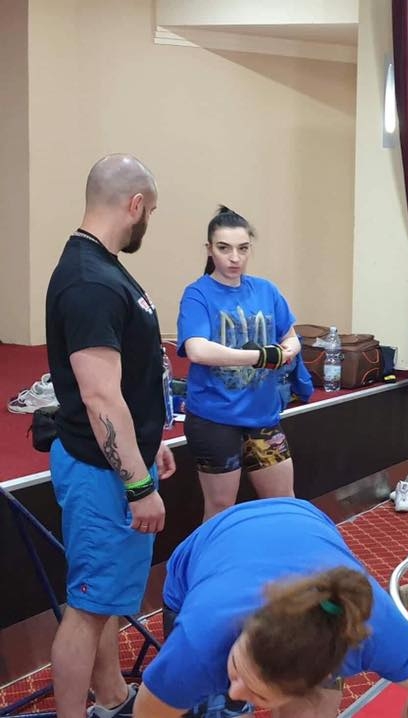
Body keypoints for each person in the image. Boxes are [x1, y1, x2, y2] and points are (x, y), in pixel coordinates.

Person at [45, 154, 176, 718]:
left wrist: (147, 443)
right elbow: (100, 397)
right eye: (152, 211)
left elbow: (124, 384)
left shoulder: (100, 266)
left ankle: (112, 698)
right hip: (102, 475)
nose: (149, 222)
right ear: (135, 204)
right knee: (86, 610)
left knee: (99, 603)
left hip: (111, 462)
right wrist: (138, 484)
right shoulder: (90, 280)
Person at [133, 498, 408, 718]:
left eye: (259, 694)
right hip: (213, 543)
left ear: (324, 677)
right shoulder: (198, 643)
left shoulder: (374, 630)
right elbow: (151, 713)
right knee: (216, 709)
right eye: (237, 665)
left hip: (302, 521)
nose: (236, 692)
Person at [177, 206, 301, 520]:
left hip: (262, 415)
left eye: (243, 249)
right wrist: (261, 356)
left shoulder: (266, 290)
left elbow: (292, 338)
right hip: (214, 418)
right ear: (209, 250)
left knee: (284, 503)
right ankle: (215, 555)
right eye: (224, 248)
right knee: (220, 509)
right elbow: (197, 350)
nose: (235, 258)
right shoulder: (198, 294)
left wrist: (286, 351)